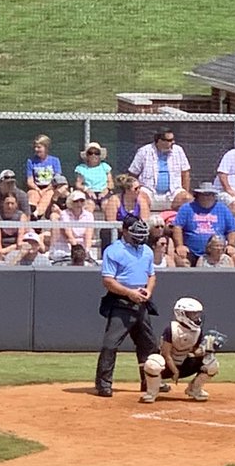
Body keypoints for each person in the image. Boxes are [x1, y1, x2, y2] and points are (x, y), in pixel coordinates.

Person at [93, 215, 157, 398]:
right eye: (135, 231)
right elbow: (108, 281)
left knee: (149, 345)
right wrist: (130, 293)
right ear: (125, 230)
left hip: (141, 303)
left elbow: (152, 275)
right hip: (121, 303)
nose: (139, 236)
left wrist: (148, 291)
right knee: (110, 344)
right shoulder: (114, 251)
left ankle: (151, 382)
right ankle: (103, 384)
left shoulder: (146, 250)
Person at [140, 296, 222, 403]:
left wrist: (207, 349)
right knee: (153, 362)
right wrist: (175, 371)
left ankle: (195, 389)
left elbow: (195, 351)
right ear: (182, 314)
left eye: (198, 313)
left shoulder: (197, 331)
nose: (197, 316)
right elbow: (166, 354)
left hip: (184, 363)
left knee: (211, 363)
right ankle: (152, 392)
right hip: (166, 367)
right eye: (193, 313)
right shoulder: (172, 329)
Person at [173, 181, 235, 267]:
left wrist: (231, 245)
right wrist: (180, 245)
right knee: (182, 260)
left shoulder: (223, 209)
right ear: (198, 195)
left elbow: (232, 229)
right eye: (204, 194)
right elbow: (177, 227)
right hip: (192, 251)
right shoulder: (187, 208)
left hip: (217, 250)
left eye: (210, 194)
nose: (207, 197)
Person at [128, 130, 192, 212]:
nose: (173, 142)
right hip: (149, 192)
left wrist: (185, 191)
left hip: (173, 193)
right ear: (159, 141)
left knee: (188, 199)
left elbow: (185, 173)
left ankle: (179, 223)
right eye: (169, 140)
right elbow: (132, 174)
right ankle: (145, 223)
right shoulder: (144, 151)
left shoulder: (178, 150)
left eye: (173, 139)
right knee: (139, 198)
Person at [24, 134, 62, 215]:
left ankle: (37, 214)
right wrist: (38, 190)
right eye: (35, 147)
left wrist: (46, 189)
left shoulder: (55, 161)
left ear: (46, 147)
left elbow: (57, 179)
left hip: (50, 187)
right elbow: (30, 181)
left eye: (39, 147)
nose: (36, 149)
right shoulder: (30, 161)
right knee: (32, 194)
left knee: (48, 196)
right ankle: (30, 212)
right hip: (36, 187)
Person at [73, 142, 114, 211]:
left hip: (104, 192)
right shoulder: (81, 168)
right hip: (88, 193)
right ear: (87, 155)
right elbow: (78, 184)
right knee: (89, 204)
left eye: (96, 153)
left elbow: (111, 183)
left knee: (107, 205)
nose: (93, 155)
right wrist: (87, 190)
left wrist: (106, 190)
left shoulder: (105, 166)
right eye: (90, 153)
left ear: (99, 155)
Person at [0, 193, 29, 262]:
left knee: (26, 244)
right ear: (3, 203)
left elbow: (20, 240)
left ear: (16, 204)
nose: (10, 206)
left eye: (12, 203)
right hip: (2, 245)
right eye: (7, 203)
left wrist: (2, 251)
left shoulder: (21, 216)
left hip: (15, 247)